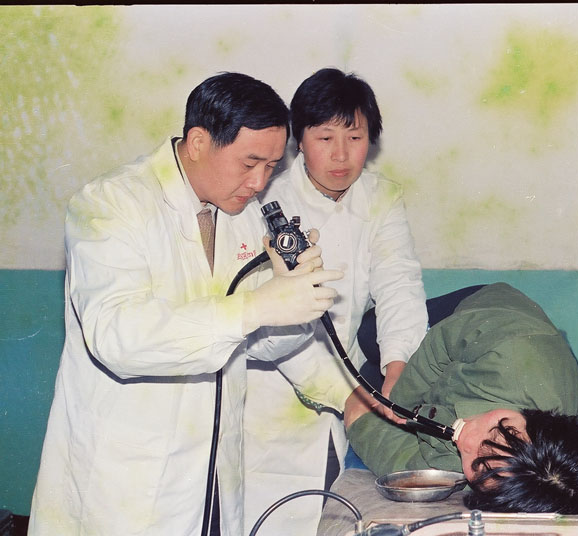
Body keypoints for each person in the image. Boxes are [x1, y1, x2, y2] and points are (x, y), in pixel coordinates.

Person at [28, 72, 350, 536]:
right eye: (250, 163)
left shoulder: (238, 212)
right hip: (130, 488)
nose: (260, 182)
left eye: (271, 167)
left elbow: (256, 345)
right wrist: (255, 307)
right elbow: (118, 336)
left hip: (214, 478)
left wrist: (292, 301)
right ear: (198, 142)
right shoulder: (113, 204)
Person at [243, 68, 428, 535]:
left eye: (355, 137)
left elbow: (399, 285)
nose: (341, 154)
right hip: (270, 392)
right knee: (268, 514)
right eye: (325, 137)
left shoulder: (381, 197)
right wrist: (345, 394)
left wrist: (399, 367)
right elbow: (272, 324)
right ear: (299, 141)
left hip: (353, 384)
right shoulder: (264, 200)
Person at [345, 282, 578, 515]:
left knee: (369, 374)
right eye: (492, 433)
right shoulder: (512, 353)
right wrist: (400, 399)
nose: (466, 443)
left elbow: (404, 462)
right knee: (369, 334)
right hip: (481, 314)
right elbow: (444, 342)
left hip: (466, 380)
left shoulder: (497, 480)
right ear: (530, 420)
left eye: (478, 466)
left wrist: (360, 421)